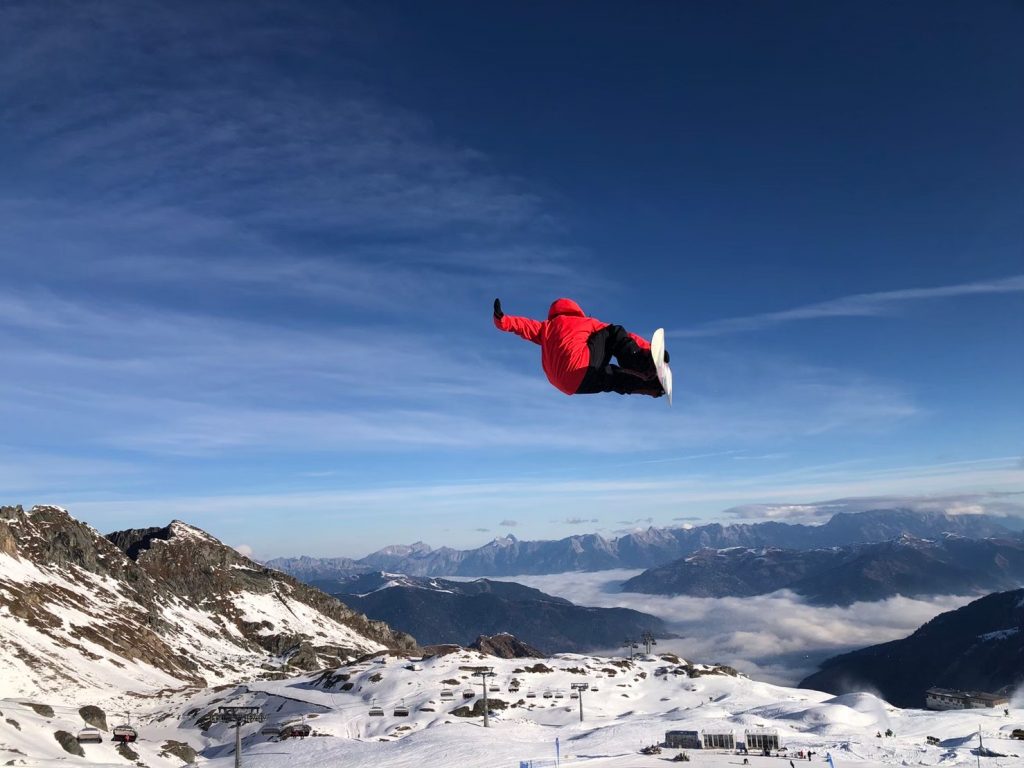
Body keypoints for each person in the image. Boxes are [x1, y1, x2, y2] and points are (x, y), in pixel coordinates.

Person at [493, 298, 665, 397]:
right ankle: (644, 364)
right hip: (579, 368)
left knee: (610, 377)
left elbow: (522, 326)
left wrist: (501, 320)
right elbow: (623, 337)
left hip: (566, 384)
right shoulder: (586, 322)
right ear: (576, 310)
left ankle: (652, 387)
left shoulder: (545, 327)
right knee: (614, 331)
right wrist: (649, 350)